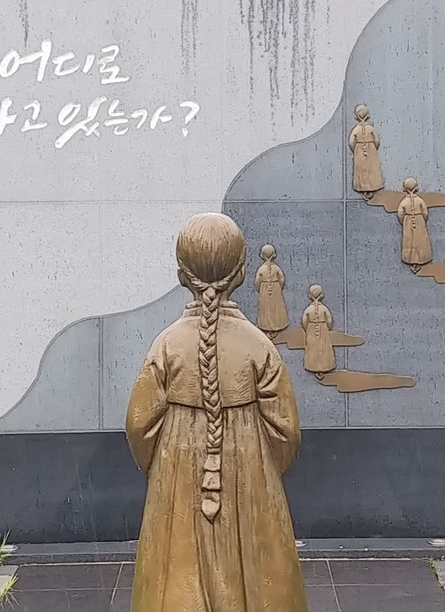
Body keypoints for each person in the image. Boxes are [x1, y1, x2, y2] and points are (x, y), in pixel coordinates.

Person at [126, 213, 308, 612]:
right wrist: (259, 469)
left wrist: (164, 467)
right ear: (242, 274)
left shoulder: (166, 346)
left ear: (181, 275)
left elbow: (139, 426)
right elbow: (286, 432)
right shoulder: (259, 347)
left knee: (177, 574)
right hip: (250, 475)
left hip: (178, 471)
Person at [348, 104, 384, 196]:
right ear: (368, 115)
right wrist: (372, 147)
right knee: (371, 169)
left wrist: (357, 150)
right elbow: (377, 140)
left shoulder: (356, 129)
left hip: (359, 151)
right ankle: (372, 187)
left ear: (356, 117)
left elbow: (352, 142)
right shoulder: (371, 128)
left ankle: (363, 188)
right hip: (371, 150)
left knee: (362, 170)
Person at [255, 243, 290, 336]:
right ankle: (277, 325)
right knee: (275, 308)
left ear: (262, 256)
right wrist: (277, 288)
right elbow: (282, 280)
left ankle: (267, 326)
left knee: (267, 309)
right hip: (275, 289)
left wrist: (262, 289)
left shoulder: (261, 269)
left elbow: (257, 282)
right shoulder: (276, 268)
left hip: (265, 290)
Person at [397, 177, 432, 267]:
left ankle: (410, 258)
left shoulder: (404, 202)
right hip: (420, 221)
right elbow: (425, 213)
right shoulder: (420, 200)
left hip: (408, 222)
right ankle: (422, 258)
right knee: (420, 240)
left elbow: (400, 214)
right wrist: (421, 219)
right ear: (416, 187)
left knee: (409, 241)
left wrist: (405, 221)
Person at [301, 284, 336, 374]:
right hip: (323, 330)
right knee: (323, 348)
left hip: (311, 330)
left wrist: (309, 329)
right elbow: (329, 321)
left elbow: (304, 321)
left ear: (310, 296)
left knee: (313, 348)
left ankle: (313, 365)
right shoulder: (324, 309)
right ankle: (325, 365)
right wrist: (326, 327)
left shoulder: (308, 309)